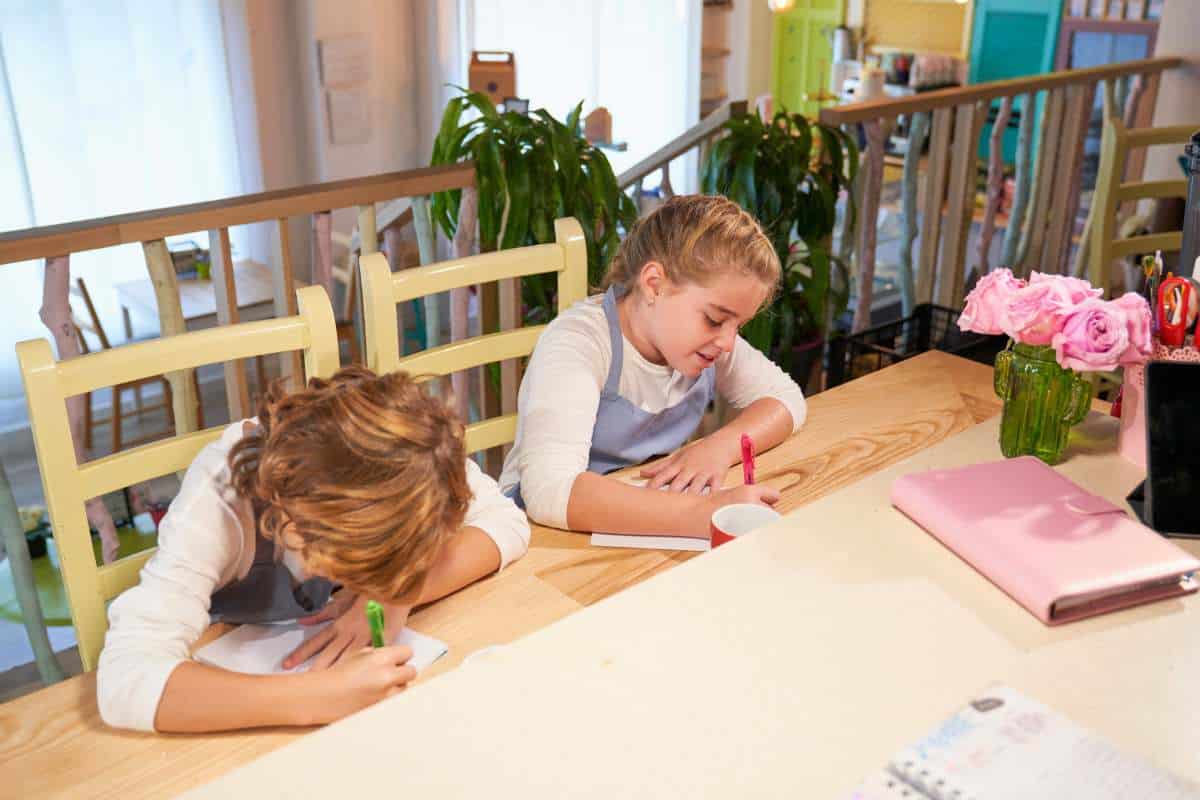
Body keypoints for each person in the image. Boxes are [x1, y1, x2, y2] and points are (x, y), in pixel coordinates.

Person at [98, 366, 529, 732]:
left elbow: (506, 522)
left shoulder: (404, 455)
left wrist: (396, 595)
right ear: (298, 525)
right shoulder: (217, 502)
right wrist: (316, 697)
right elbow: (124, 678)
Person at [499, 195, 806, 538]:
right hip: (544, 535)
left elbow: (785, 398)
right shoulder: (579, 343)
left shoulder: (706, 342)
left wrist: (719, 446)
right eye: (715, 319)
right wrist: (705, 513)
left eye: (739, 326)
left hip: (647, 523)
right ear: (654, 285)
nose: (729, 343)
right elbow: (550, 491)